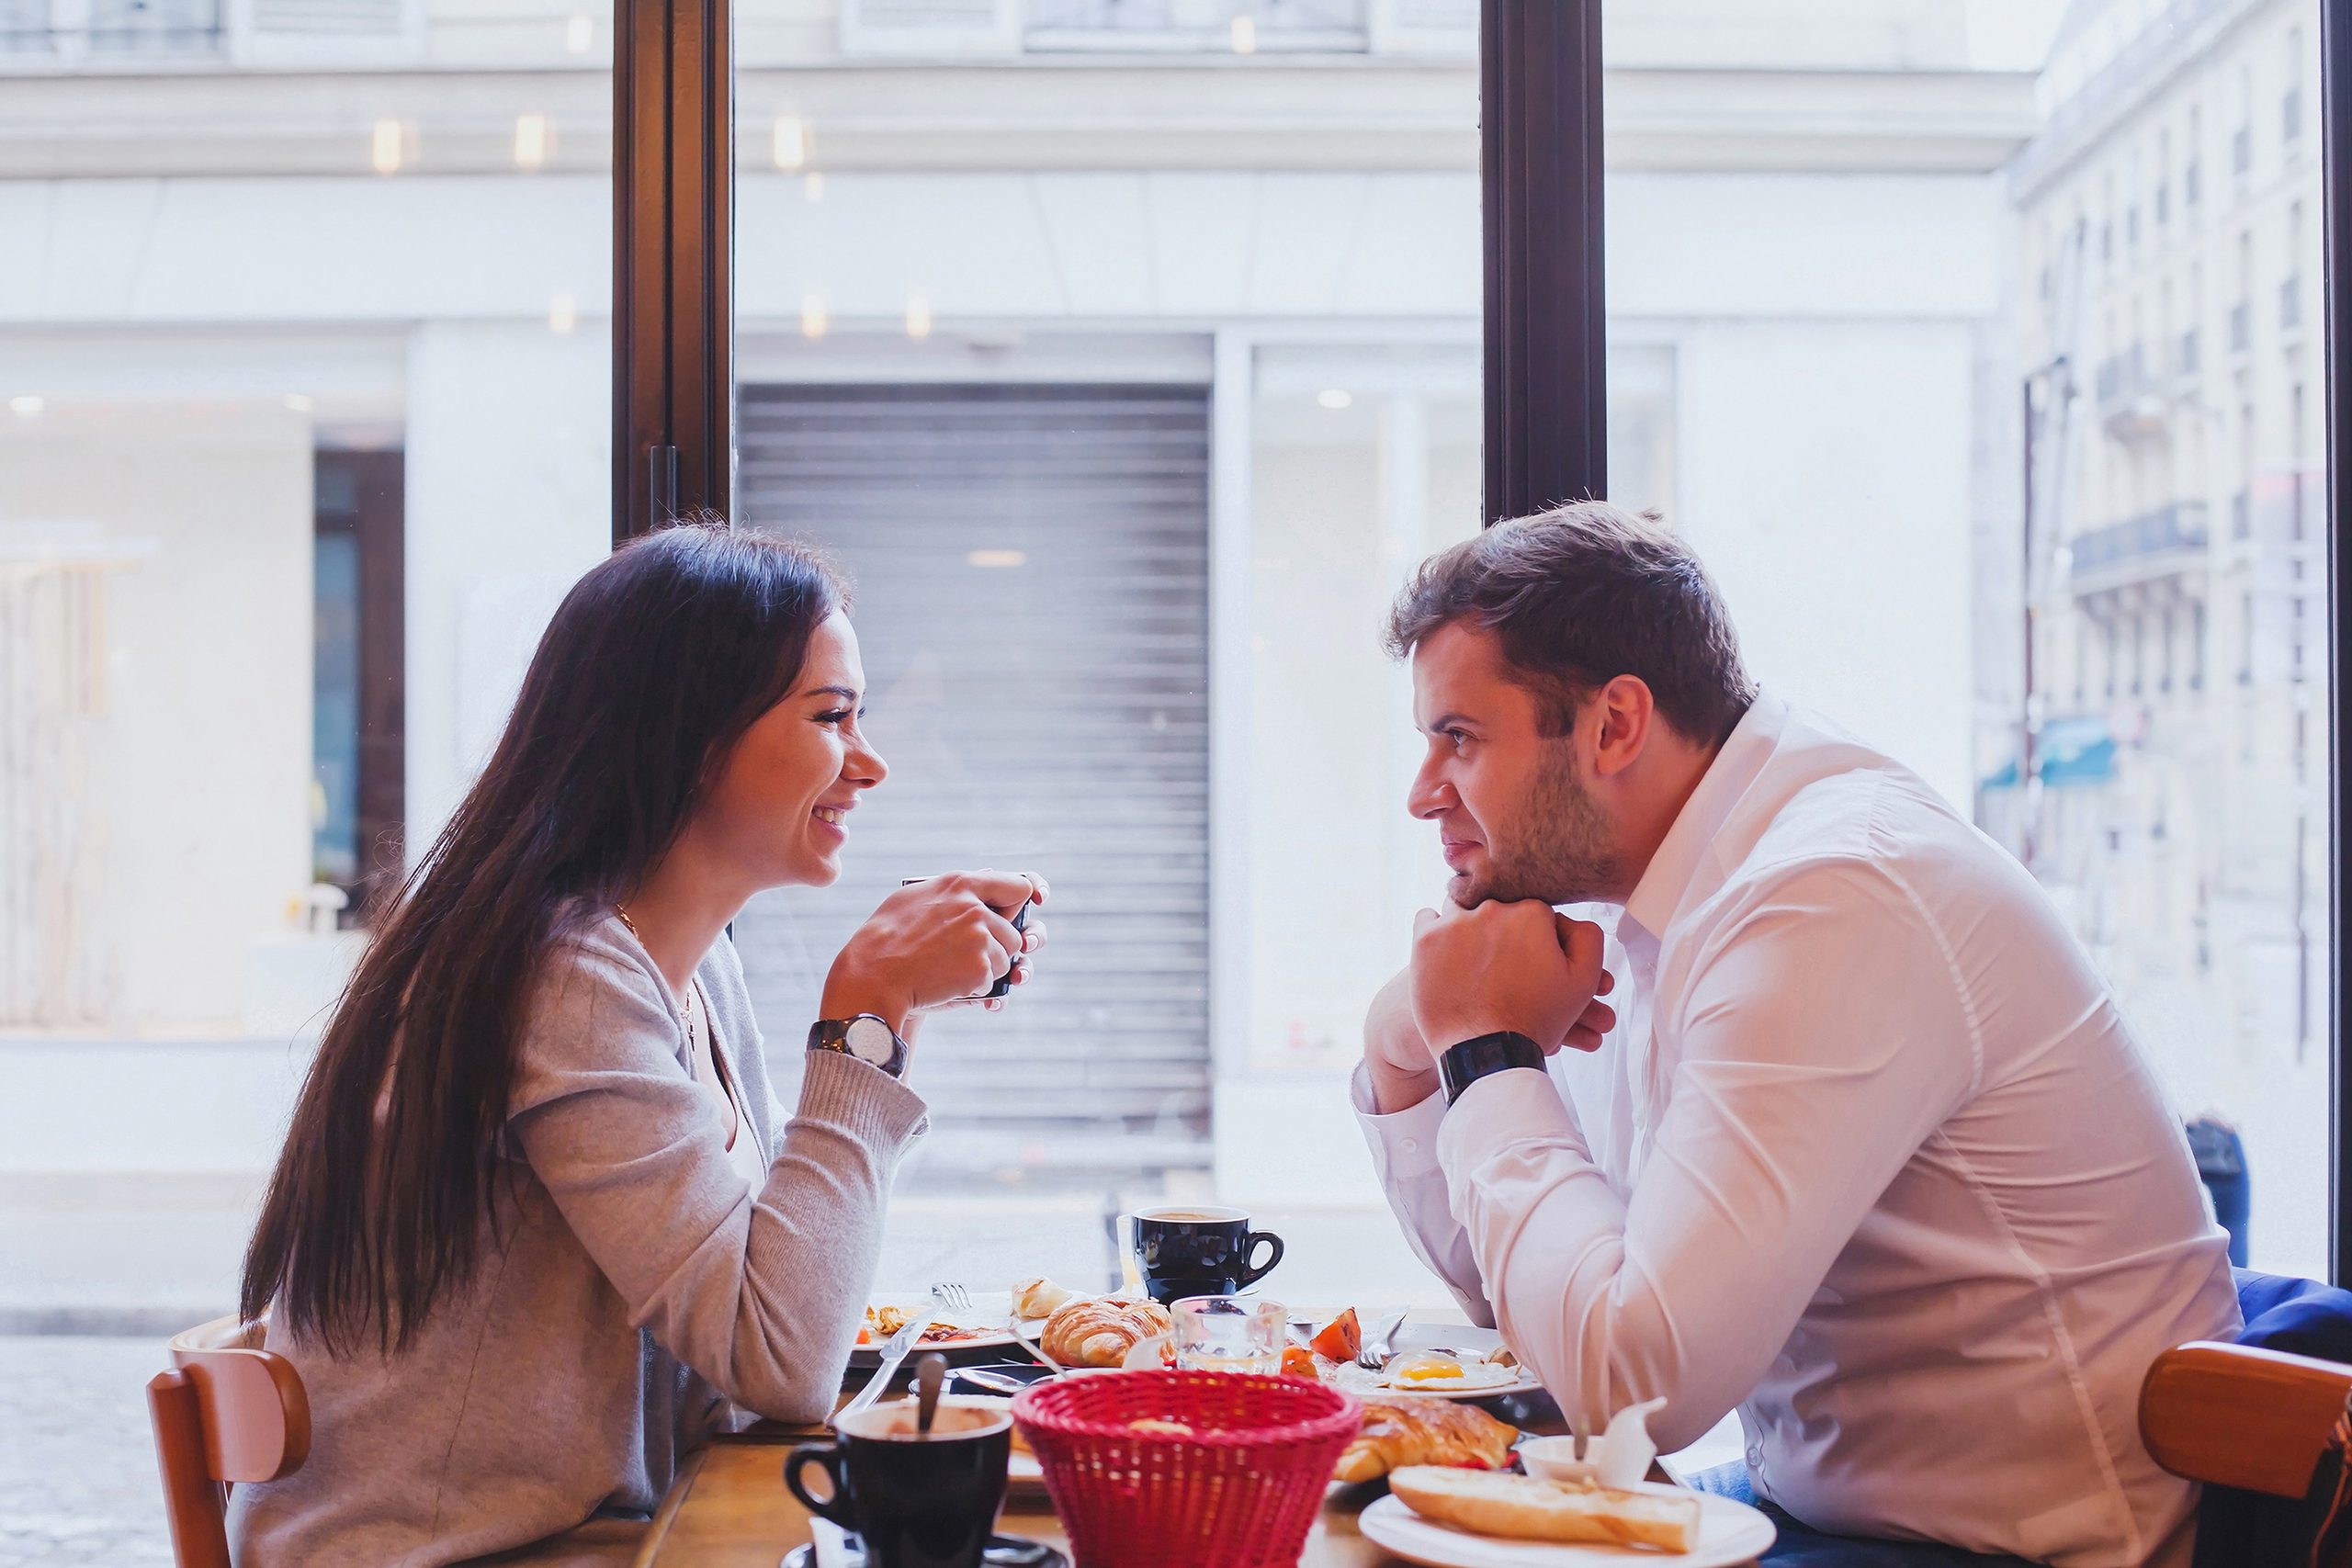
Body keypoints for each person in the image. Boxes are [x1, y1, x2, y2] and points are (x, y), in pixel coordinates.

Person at [1355, 502, 2238, 1566]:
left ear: (1613, 726)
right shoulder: (1640, 903)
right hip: (1824, 1514)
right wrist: (1409, 1047)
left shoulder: (1831, 893)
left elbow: (1635, 1386)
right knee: (1397, 1520)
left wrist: (1487, 1053)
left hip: (2011, 1553)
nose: (1420, 795)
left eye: (1458, 738)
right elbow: (1527, 1309)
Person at [231, 522, 1047, 1565]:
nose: (870, 763)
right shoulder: (563, 974)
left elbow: (755, 1309)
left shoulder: (695, 969)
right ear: (688, 736)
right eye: (832, 717)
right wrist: (865, 1019)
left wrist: (889, 1018)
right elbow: (778, 1360)